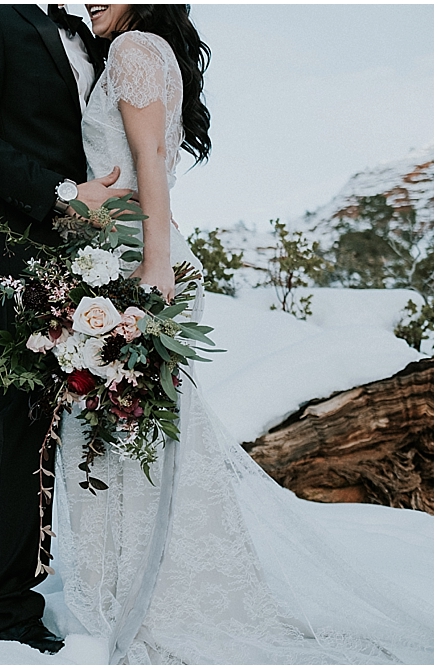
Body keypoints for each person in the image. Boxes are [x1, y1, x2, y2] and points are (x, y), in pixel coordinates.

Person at [52, 4, 434, 663]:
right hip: (138, 256)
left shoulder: (133, 51)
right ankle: (148, 592)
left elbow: (147, 160)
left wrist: (153, 266)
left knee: (126, 440)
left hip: (139, 262)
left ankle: (134, 600)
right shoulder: (149, 50)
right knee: (142, 442)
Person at [0, 4, 125, 655]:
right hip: (23, 252)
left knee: (119, 412)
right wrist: (64, 194)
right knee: (27, 413)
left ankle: (112, 576)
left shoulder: (94, 31)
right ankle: (9, 601)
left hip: (110, 261)